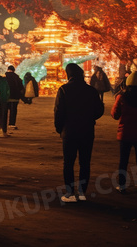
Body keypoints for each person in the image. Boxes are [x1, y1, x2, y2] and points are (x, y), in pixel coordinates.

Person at [54, 63, 105, 202]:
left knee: (68, 163)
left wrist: (60, 128)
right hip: (87, 130)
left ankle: (70, 193)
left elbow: (59, 112)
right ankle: (82, 192)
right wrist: (89, 117)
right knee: (85, 162)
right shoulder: (91, 90)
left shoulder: (64, 90)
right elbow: (99, 110)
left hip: (69, 131)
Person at [5, 66, 25, 130]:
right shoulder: (17, 77)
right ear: (14, 70)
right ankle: (11, 124)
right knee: (13, 111)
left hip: (6, 97)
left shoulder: (4, 77)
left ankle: (3, 124)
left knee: (4, 111)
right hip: (15, 97)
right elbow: (21, 88)